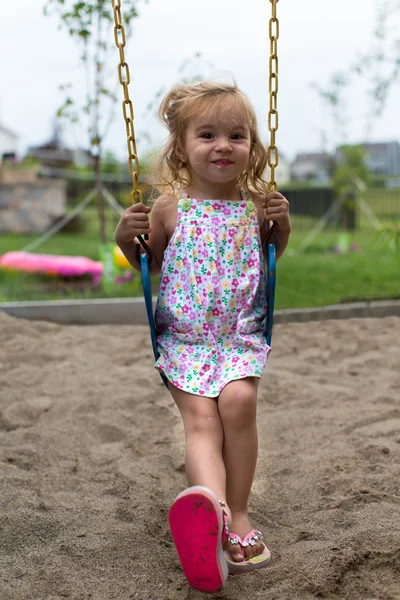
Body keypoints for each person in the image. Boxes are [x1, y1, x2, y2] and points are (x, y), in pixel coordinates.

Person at [115, 81, 291, 592]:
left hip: (237, 340)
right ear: (182, 148)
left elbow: (273, 257)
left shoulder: (258, 206)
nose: (222, 145)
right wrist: (128, 241)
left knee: (237, 404)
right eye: (207, 134)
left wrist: (283, 226)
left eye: (236, 135)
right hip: (185, 342)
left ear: (252, 147)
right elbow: (150, 266)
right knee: (200, 420)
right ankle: (210, 516)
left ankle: (235, 511)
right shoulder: (168, 210)